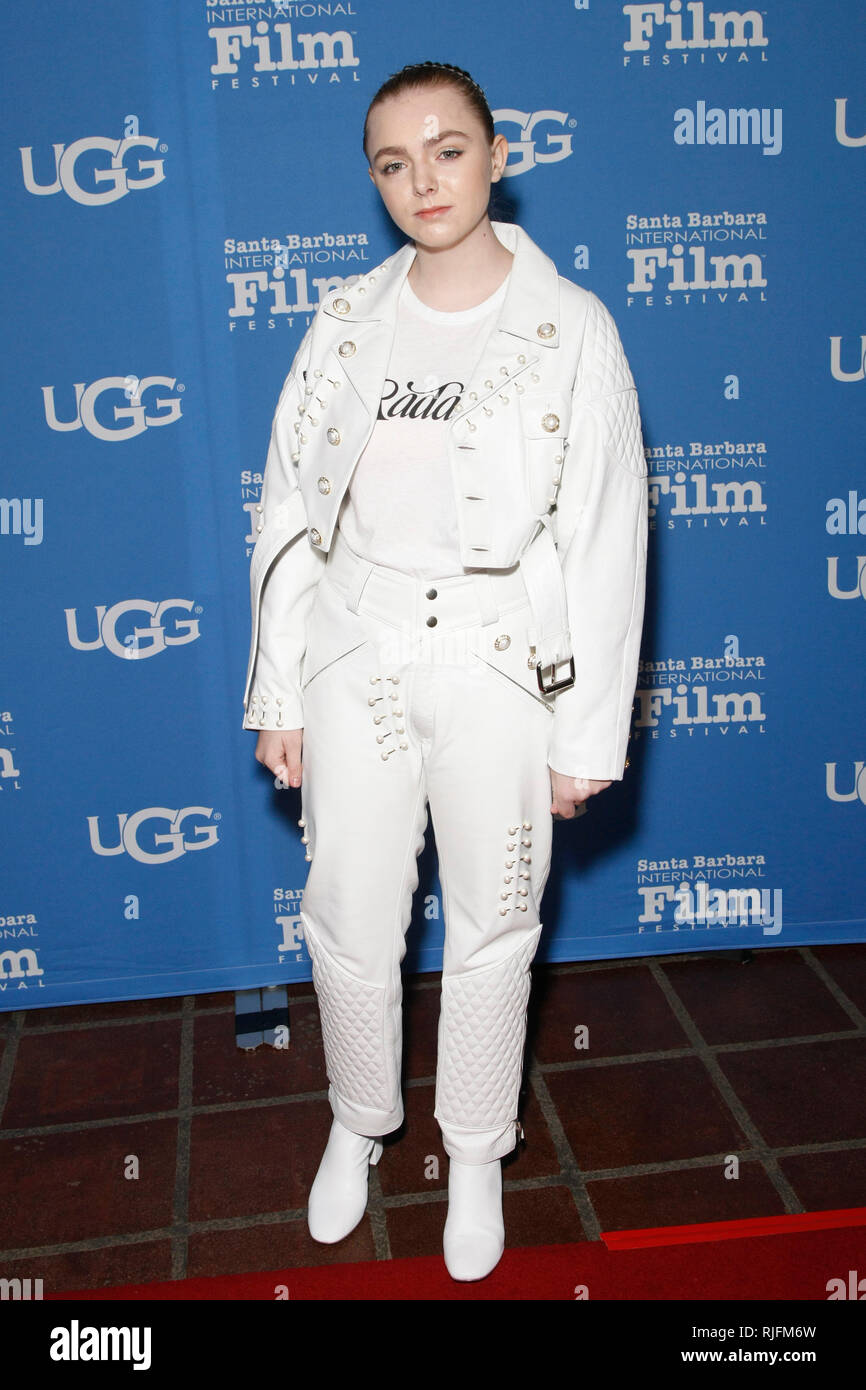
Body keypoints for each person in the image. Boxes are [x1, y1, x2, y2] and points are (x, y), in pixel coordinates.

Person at [243, 60, 648, 1282]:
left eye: (447, 149)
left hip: (495, 660)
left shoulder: (570, 327)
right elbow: (284, 509)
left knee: (493, 923)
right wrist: (277, 692)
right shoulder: (342, 322)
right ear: (373, 178)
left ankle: (473, 1148)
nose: (423, 180)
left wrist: (583, 734)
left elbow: (605, 531)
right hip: (354, 644)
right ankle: (359, 1120)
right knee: (347, 915)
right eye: (392, 161)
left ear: (493, 151)